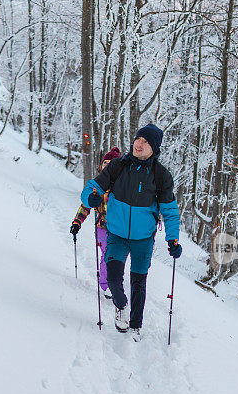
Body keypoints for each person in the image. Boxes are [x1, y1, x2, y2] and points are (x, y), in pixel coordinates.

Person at [79, 123, 182, 336]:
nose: (140, 144)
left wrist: (173, 239)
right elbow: (93, 186)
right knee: (114, 279)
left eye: (146, 142)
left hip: (143, 239)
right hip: (116, 233)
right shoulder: (118, 166)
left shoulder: (161, 176)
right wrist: (91, 197)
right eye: (138, 139)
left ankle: (135, 325)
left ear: (154, 148)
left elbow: (170, 211)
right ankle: (121, 306)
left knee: (138, 283)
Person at [70, 147, 121, 299]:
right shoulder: (98, 185)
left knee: (117, 258)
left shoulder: (122, 185)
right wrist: (77, 222)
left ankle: (115, 282)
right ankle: (106, 286)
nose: (107, 165)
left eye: (110, 163)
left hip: (120, 228)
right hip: (102, 227)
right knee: (108, 255)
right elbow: (85, 205)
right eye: (105, 162)